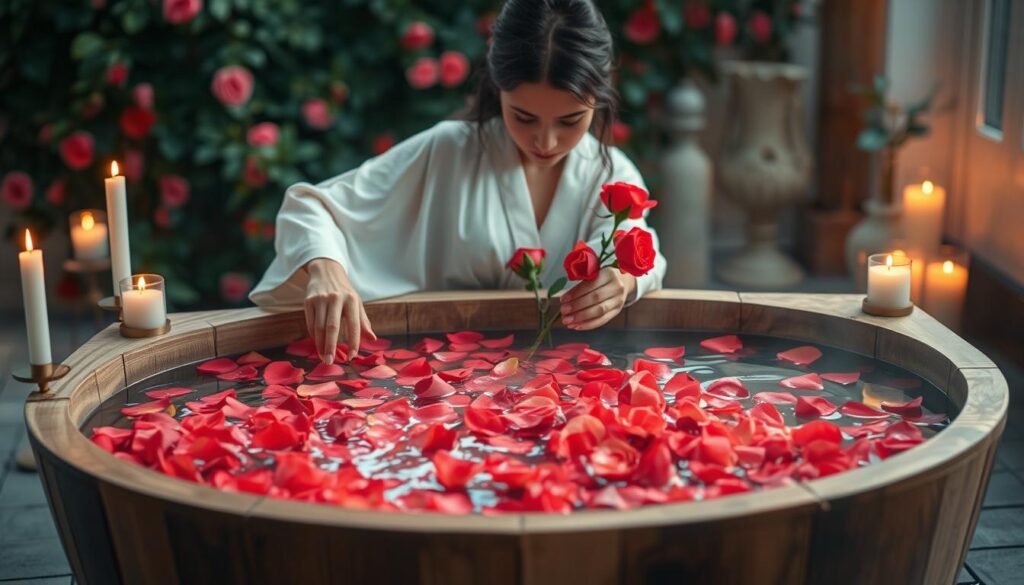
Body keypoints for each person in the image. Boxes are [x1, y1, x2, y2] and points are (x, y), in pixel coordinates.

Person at [250, 0, 667, 364]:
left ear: (600, 94)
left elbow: (639, 250)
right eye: (523, 116)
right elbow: (311, 206)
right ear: (497, 85)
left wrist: (623, 281)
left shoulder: (611, 175)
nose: (545, 141)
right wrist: (326, 271)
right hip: (437, 382)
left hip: (556, 389)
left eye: (570, 120)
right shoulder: (448, 151)